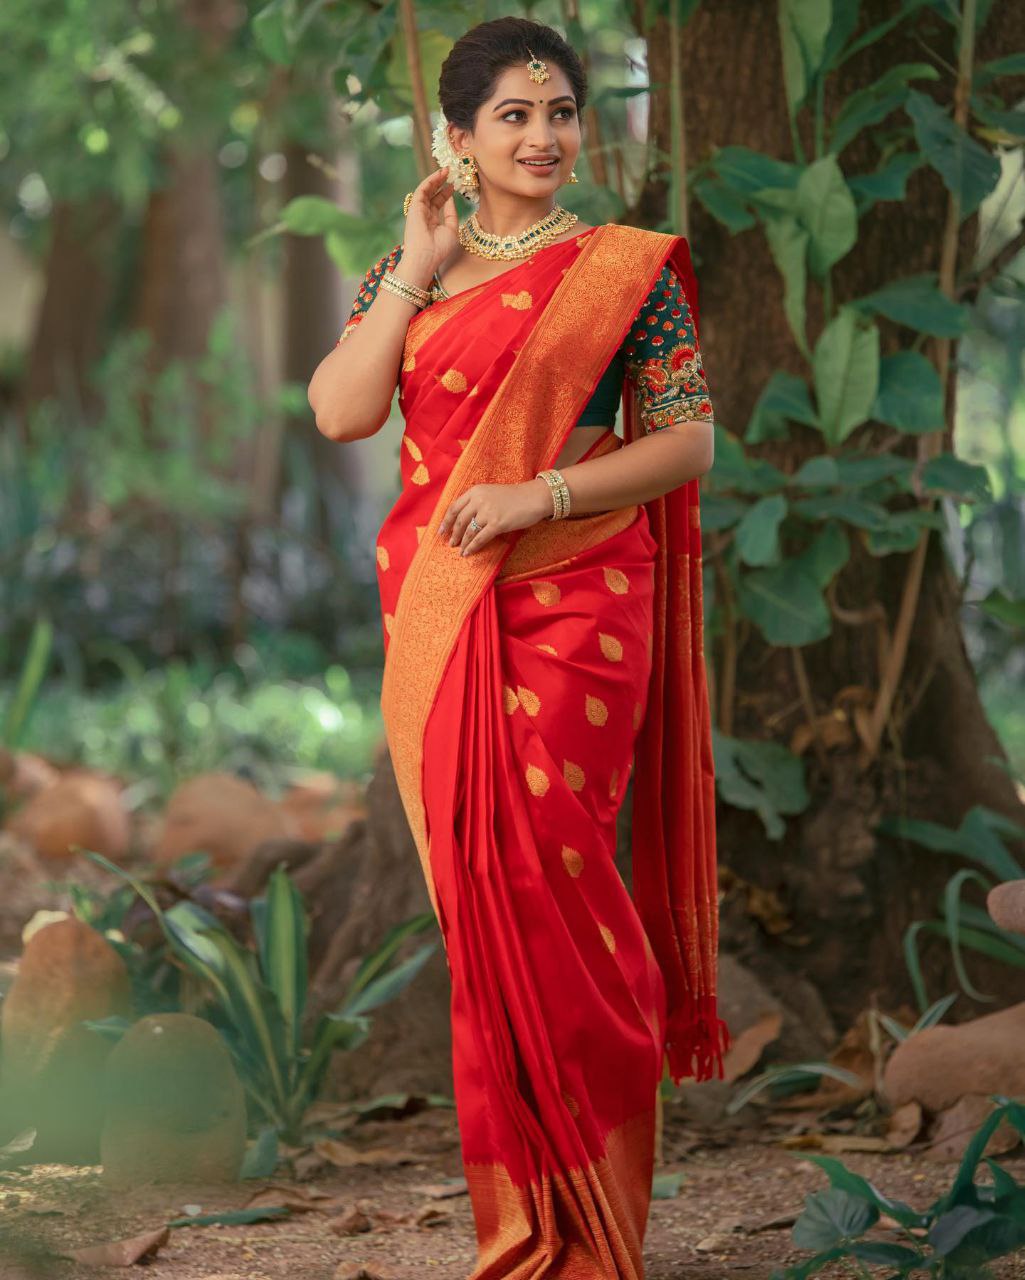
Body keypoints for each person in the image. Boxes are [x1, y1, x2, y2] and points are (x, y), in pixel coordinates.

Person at [307, 16, 729, 1278]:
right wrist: (412, 267)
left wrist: (543, 496)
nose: (542, 139)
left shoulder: (620, 270)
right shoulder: (417, 266)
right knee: (487, 916)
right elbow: (340, 409)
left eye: (559, 115)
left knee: (558, 886)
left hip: (579, 601)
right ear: (458, 138)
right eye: (512, 118)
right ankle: (521, 1224)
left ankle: (598, 1224)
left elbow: (689, 441)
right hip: (445, 616)